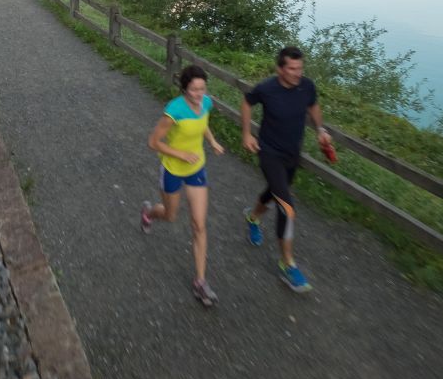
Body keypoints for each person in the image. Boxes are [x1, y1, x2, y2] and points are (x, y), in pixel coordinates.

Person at [241, 46, 329, 293]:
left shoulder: (307, 86)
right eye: (292, 69)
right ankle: (287, 263)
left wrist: (320, 130)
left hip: (292, 156)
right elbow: (247, 103)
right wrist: (247, 133)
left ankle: (253, 217)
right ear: (280, 69)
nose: (297, 73)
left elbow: (313, 106)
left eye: (300, 68)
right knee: (287, 207)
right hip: (269, 154)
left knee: (274, 192)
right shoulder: (267, 88)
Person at [140, 64, 225, 306]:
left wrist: (213, 141)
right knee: (170, 215)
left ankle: (200, 281)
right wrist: (180, 154)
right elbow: (153, 142)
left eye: (202, 88)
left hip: (196, 169)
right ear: (185, 89)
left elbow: (203, 122)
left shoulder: (206, 103)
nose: (199, 94)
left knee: (199, 224)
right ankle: (148, 212)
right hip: (172, 170)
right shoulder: (173, 111)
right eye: (194, 89)